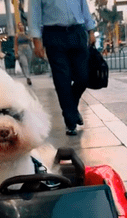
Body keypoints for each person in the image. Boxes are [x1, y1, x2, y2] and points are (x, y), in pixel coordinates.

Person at [30, 0, 96, 136]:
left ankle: (71, 108)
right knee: (62, 80)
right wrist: (36, 40)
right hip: (54, 35)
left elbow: (83, 6)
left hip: (77, 32)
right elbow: (34, 13)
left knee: (83, 77)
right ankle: (70, 121)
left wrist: (91, 30)